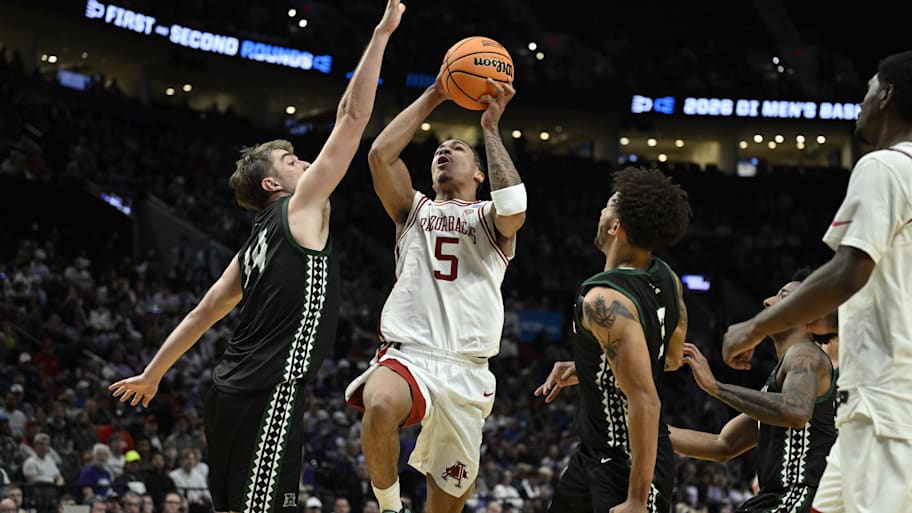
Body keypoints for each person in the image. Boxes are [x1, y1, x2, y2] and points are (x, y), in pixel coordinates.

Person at [107, 2, 406, 512]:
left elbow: (203, 313)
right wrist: (380, 35)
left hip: (227, 391)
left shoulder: (252, 246)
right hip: (269, 388)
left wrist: (153, 374)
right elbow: (353, 117)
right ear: (274, 184)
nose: (307, 163)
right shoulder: (300, 206)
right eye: (292, 162)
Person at [720, 50, 912, 513]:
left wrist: (756, 326)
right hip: (870, 402)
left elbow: (847, 271)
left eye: (866, 91)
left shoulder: (885, 166)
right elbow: (859, 294)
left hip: (886, 397)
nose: (860, 103)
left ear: (885, 96)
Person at [343, 63, 525, 513]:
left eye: (457, 149)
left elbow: (515, 205)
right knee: (380, 404)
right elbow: (379, 156)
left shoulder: (489, 218)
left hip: (467, 368)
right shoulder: (413, 210)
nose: (445, 151)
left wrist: (489, 128)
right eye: (439, 149)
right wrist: (436, 94)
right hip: (411, 353)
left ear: (479, 174)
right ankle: (389, 507)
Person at [534, 166, 691, 513]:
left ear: (615, 226)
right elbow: (671, 358)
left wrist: (636, 498)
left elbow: (646, 401)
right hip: (593, 454)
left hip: (628, 462)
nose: (601, 212)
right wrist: (591, 367)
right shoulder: (668, 277)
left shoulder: (603, 300)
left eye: (608, 206)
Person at [669, 269, 837, 513]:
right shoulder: (781, 378)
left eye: (783, 296)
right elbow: (722, 445)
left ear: (808, 315)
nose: (767, 300)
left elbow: (795, 411)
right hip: (777, 500)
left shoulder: (805, 354)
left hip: (798, 498)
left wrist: (715, 387)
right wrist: (644, 426)